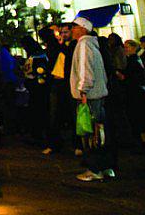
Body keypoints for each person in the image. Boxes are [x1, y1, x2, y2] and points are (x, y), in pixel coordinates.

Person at [68, 16, 114, 181]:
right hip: (98, 95)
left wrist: (83, 91)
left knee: (90, 133)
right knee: (100, 132)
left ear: (83, 29)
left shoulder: (84, 45)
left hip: (89, 96)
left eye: (75, 27)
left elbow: (85, 69)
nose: (72, 30)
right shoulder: (93, 45)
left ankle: (94, 169)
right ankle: (106, 166)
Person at [44, 25, 74, 155]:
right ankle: (54, 143)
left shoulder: (73, 46)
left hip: (69, 83)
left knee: (72, 114)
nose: (63, 34)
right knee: (54, 114)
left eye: (66, 32)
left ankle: (77, 144)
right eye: (61, 32)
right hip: (57, 82)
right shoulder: (55, 46)